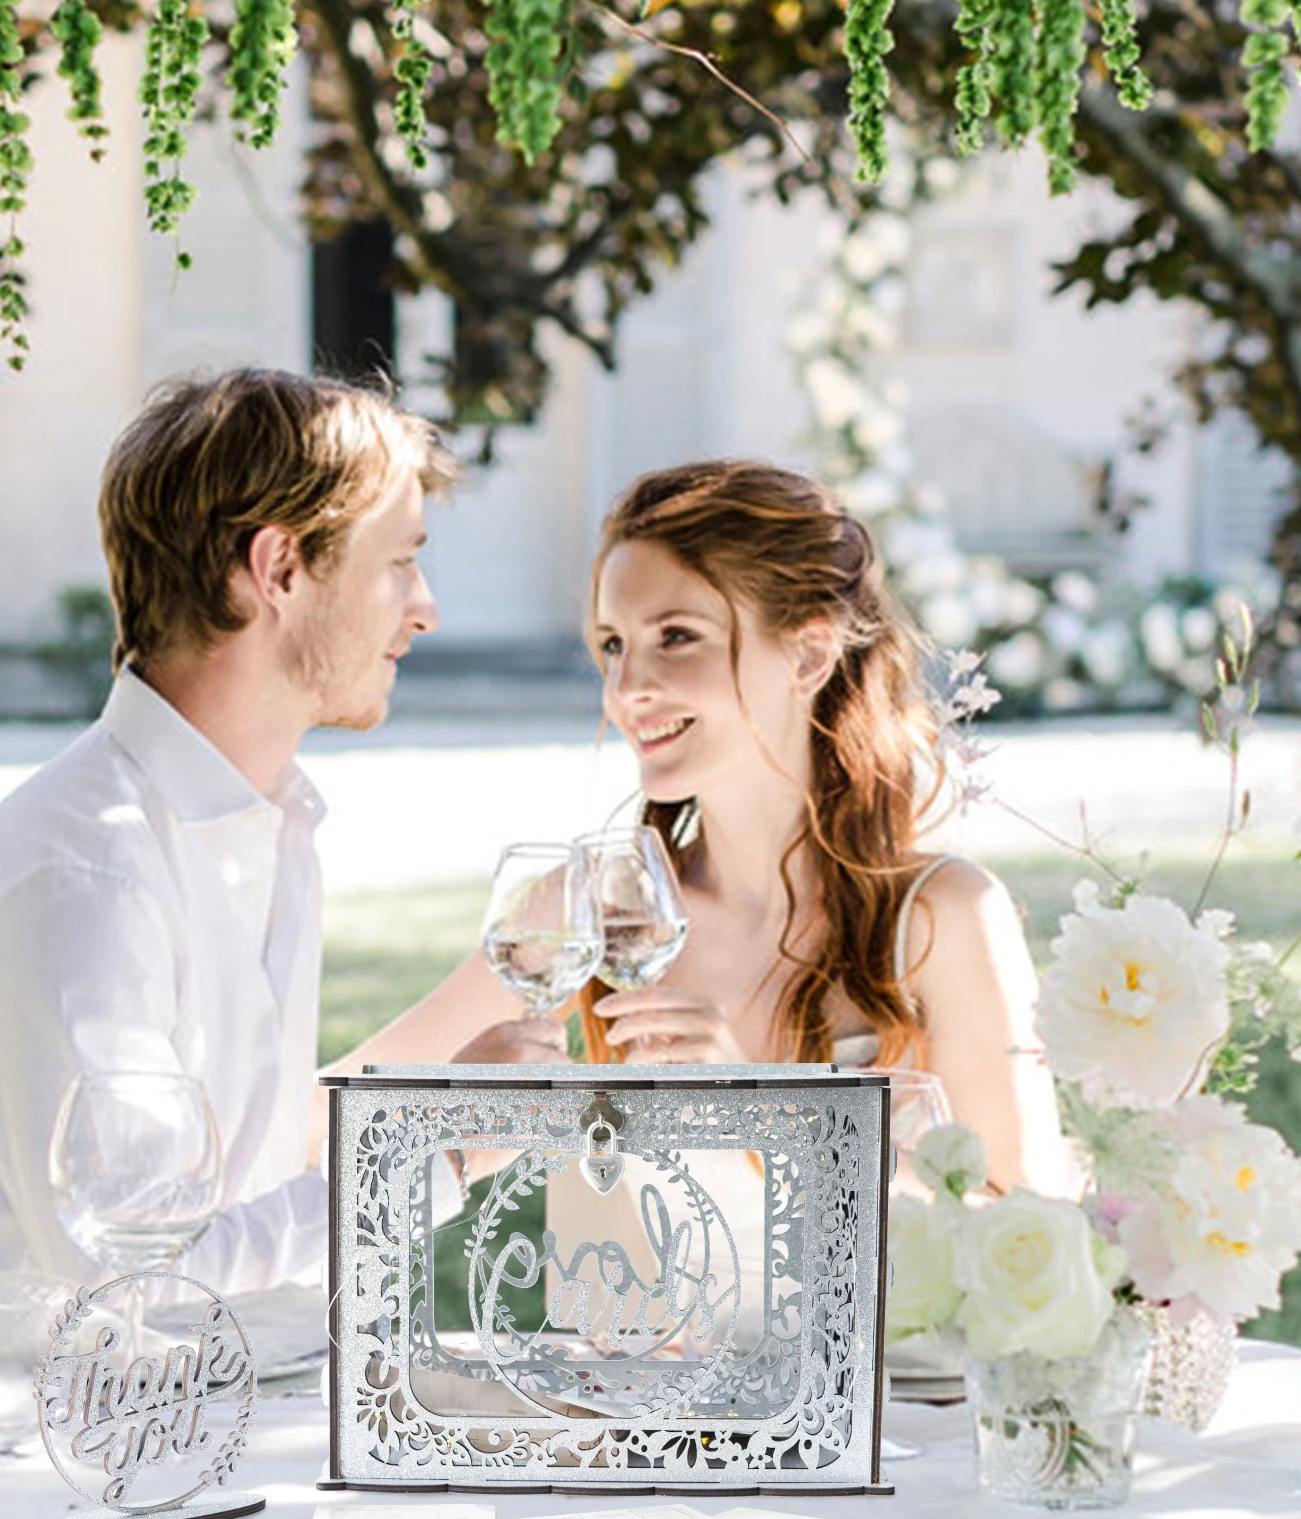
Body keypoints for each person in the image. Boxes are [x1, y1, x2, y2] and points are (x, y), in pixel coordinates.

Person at [0, 368, 507, 1333]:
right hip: (7, 1441)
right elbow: (139, 1279)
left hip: (178, 1415)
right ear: (279, 568)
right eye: (400, 560)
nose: (425, 608)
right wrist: (435, 1161)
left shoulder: (266, 824)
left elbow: (262, 1172)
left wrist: (497, 1002)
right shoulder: (88, 871)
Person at [339, 459, 1067, 1203]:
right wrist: (452, 1132)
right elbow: (332, 1119)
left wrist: (761, 1117)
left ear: (809, 654)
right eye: (614, 645)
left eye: (677, 636)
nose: (627, 690)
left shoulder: (941, 917)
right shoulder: (587, 917)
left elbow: (1029, 1219)